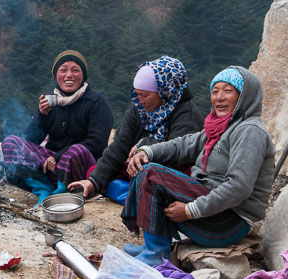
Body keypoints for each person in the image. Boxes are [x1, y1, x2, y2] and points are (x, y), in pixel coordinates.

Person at [121, 66, 275, 266]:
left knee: (152, 175)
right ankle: (155, 246)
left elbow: (239, 188)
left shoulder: (249, 131)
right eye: (215, 91)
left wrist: (191, 210)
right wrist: (148, 151)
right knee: (147, 165)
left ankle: (156, 253)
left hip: (229, 222)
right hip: (213, 211)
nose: (219, 97)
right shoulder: (219, 128)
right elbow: (183, 145)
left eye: (228, 91)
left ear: (244, 97)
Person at [68, 56, 203, 198]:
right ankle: (137, 195)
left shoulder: (188, 115)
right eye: (137, 94)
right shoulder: (139, 108)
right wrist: (92, 182)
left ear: (164, 91)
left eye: (145, 95)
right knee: (95, 173)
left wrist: (144, 145)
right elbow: (120, 146)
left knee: (157, 181)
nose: (140, 100)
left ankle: (138, 195)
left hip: (168, 171)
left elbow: (177, 153)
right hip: (140, 168)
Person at [2, 50, 113, 200]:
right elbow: (30, 139)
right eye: (63, 70)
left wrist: (60, 156)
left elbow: (96, 144)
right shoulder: (51, 101)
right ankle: (42, 185)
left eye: (75, 70)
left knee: (76, 150)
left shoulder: (96, 102)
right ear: (56, 75)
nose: (69, 75)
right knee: (11, 142)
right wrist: (42, 115)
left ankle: (61, 192)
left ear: (83, 75)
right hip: (51, 164)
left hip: (81, 167)